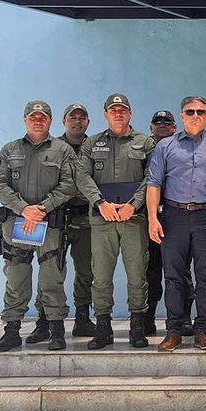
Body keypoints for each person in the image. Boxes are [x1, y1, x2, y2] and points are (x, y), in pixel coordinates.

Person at [146, 96, 206, 352]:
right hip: (173, 215)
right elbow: (154, 184)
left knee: (205, 276)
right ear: (182, 116)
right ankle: (174, 330)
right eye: (190, 111)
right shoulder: (166, 146)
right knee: (173, 276)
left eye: (201, 111)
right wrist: (153, 219)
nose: (196, 115)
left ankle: (203, 331)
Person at [0, 100, 78, 352]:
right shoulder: (10, 150)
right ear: (25, 120)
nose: (38, 121)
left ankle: (56, 330)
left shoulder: (62, 150)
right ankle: (11, 331)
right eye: (33, 117)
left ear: (50, 120)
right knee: (16, 278)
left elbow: (69, 184)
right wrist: (24, 209)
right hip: (17, 224)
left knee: (52, 277)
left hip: (50, 225)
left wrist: (42, 208)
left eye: (42, 117)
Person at [75, 94, 156, 349]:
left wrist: (133, 204)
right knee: (100, 275)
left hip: (134, 218)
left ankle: (137, 326)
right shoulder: (92, 143)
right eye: (113, 110)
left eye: (122, 110)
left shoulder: (145, 142)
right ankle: (103, 327)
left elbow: (152, 177)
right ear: (105, 114)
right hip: (103, 218)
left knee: (137, 274)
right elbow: (82, 176)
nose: (118, 114)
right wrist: (101, 203)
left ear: (130, 113)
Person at [28, 102, 96, 345]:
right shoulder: (51, 147)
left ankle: (83, 318)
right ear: (63, 121)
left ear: (87, 121)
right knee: (49, 270)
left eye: (81, 117)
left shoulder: (95, 146)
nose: (77, 121)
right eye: (72, 117)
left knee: (86, 271)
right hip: (55, 217)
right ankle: (44, 322)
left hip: (85, 218)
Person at [144, 110, 194, 335]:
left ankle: (183, 318)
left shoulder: (184, 149)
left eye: (167, 123)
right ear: (151, 127)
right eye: (158, 123)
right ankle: (148, 318)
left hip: (177, 217)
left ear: (175, 127)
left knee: (181, 270)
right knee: (151, 270)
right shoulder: (143, 150)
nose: (162, 126)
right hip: (151, 218)